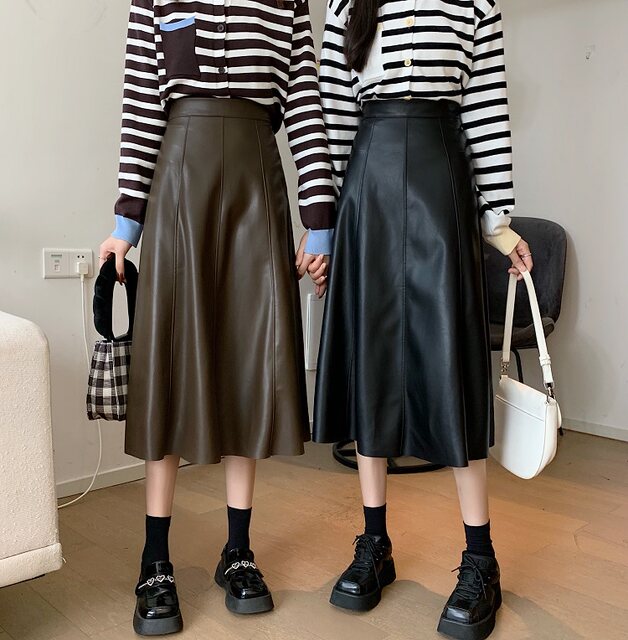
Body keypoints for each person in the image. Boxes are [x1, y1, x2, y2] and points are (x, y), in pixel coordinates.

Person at [99, 0, 333, 635]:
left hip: (258, 182)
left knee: (247, 364)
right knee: (171, 363)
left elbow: (305, 107)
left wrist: (319, 221)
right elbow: (141, 105)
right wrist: (127, 222)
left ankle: (239, 550)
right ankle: (155, 560)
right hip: (180, 180)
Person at [312, 1, 532, 639]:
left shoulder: (474, 6)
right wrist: (327, 230)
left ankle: (481, 560)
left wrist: (498, 224)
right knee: (372, 364)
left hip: (442, 186)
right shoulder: (347, 6)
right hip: (367, 189)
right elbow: (332, 119)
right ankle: (374, 544)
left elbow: (487, 110)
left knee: (449, 364)